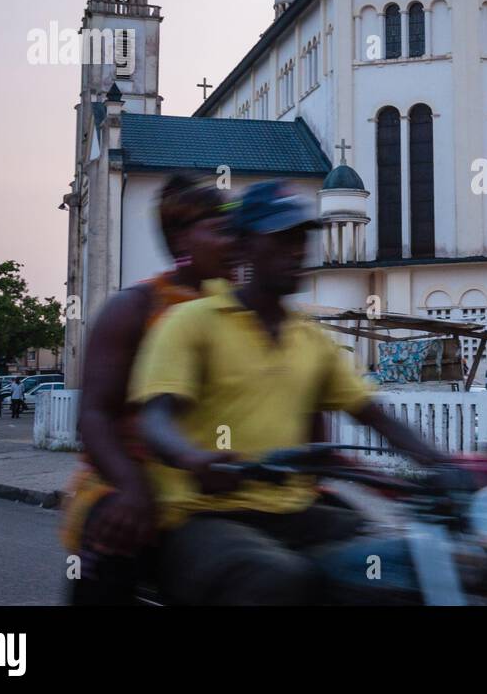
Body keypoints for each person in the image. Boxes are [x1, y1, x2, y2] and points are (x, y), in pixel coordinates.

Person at [129, 180, 450, 606]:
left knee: (403, 567)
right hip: (204, 516)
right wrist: (194, 458)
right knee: (278, 579)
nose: (297, 251)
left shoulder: (310, 340)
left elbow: (375, 415)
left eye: (302, 238)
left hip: (293, 510)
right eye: (281, 239)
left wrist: (446, 465)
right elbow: (156, 418)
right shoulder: (191, 322)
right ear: (244, 246)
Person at [62, 173, 236, 606]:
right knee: (115, 544)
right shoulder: (135, 308)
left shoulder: (241, 311)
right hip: (128, 478)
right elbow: (96, 415)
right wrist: (131, 487)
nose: (235, 241)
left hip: (217, 482)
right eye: (219, 229)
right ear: (180, 240)